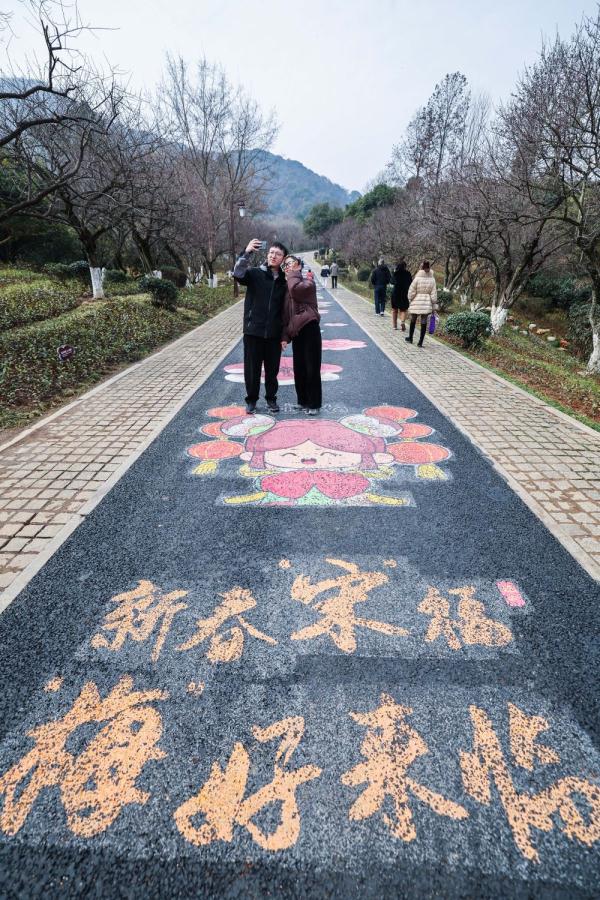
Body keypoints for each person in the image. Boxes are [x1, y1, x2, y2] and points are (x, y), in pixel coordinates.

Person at [234, 238, 288, 413]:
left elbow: (286, 311)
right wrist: (247, 252)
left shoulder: (284, 281)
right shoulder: (255, 273)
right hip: (253, 331)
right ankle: (251, 400)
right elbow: (238, 274)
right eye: (271, 252)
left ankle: (271, 399)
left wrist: (284, 335)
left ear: (283, 258)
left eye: (278, 254)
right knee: (252, 370)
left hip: (273, 334)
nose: (273, 256)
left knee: (272, 371)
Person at [282, 255, 322, 415]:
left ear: (299, 266)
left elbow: (295, 290)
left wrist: (292, 274)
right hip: (296, 331)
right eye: (285, 265)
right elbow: (285, 313)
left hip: (309, 327)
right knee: (299, 367)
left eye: (291, 263)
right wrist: (285, 336)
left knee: (312, 367)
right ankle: (302, 400)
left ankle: (314, 403)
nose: (288, 267)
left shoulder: (308, 283)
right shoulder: (286, 287)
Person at [406, 260, 438, 347]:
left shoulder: (417, 278)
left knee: (413, 319)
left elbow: (411, 291)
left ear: (421, 267)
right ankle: (420, 342)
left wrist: (410, 298)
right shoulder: (432, 279)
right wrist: (433, 303)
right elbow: (434, 294)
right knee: (424, 321)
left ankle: (410, 338)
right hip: (426, 302)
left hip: (416, 301)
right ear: (429, 267)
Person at [391, 260, 412, 331]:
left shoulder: (396, 273)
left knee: (394, 309)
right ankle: (402, 322)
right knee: (403, 309)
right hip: (404, 293)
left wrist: (394, 272)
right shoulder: (408, 273)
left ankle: (394, 326)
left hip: (395, 293)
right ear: (405, 266)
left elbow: (392, 282)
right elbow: (410, 283)